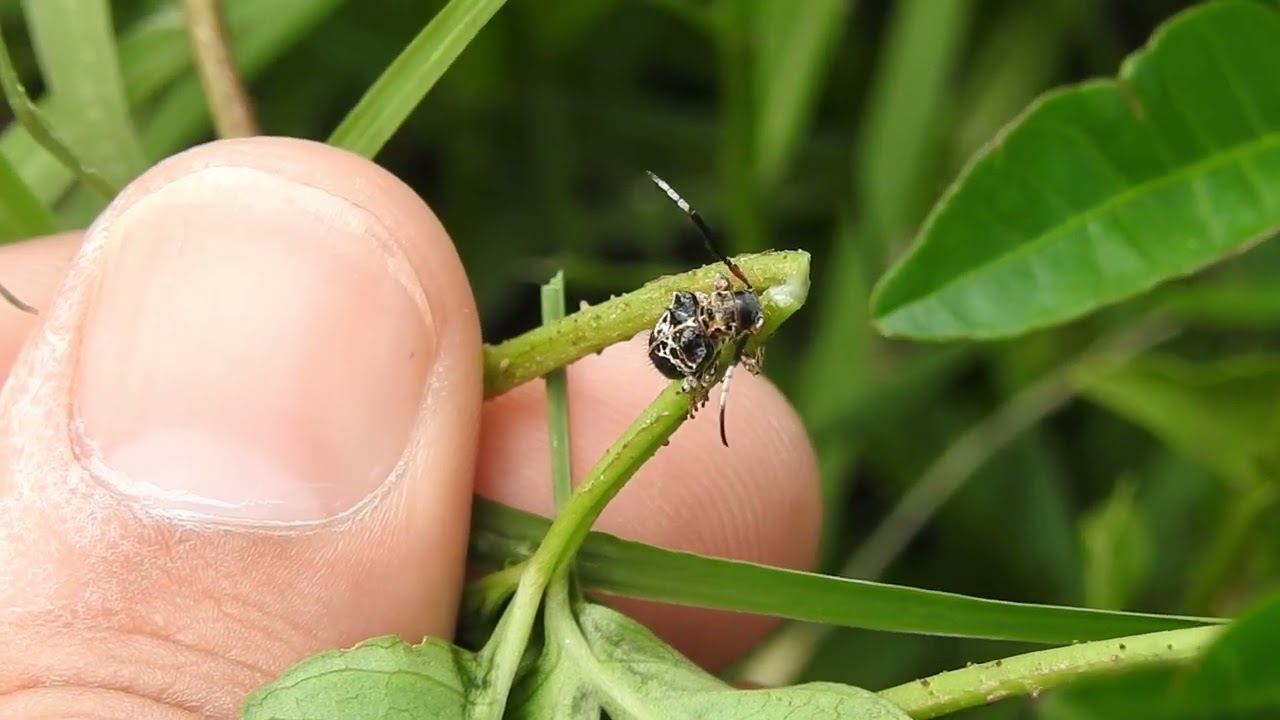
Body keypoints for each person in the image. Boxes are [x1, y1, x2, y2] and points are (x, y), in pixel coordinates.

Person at [0, 136, 821, 717]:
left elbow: (696, 345)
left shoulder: (712, 324)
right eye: (724, 304)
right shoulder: (711, 322)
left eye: (726, 308)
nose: (721, 306)